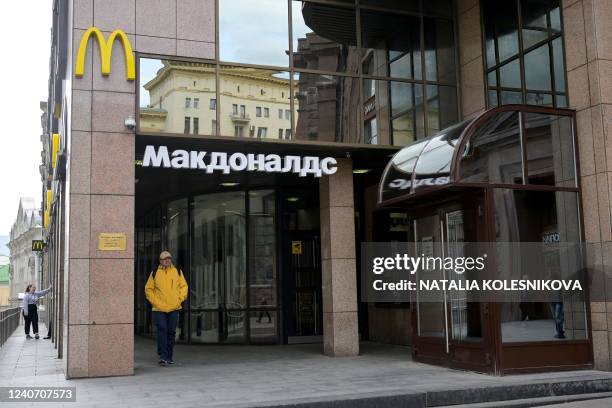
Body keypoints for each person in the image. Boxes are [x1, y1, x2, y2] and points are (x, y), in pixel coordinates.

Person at [145, 251, 188, 366]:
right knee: (162, 330)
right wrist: (156, 302)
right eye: (164, 259)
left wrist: (180, 299)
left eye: (169, 258)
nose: (167, 260)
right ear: (160, 261)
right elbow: (148, 289)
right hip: (159, 309)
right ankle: (162, 355)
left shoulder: (177, 272)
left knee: (171, 332)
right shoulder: (154, 273)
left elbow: (184, 286)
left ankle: (169, 356)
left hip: (174, 308)